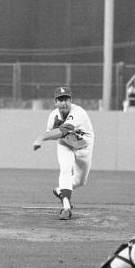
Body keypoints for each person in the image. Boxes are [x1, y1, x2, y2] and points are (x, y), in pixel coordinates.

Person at [33, 87, 94, 220]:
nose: (64, 103)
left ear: (71, 101)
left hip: (83, 147)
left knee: (80, 181)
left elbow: (64, 130)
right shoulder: (53, 116)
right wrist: (47, 136)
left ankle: (60, 190)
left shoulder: (78, 112)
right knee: (65, 170)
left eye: (66, 99)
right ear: (55, 102)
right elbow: (55, 135)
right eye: (60, 100)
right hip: (66, 145)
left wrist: (41, 138)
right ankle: (66, 207)